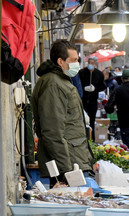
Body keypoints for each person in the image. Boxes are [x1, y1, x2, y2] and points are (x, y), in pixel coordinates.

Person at [31, 39, 94, 188]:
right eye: (73, 60)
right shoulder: (53, 84)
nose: (76, 64)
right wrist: (66, 170)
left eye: (77, 60)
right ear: (60, 61)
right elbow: (52, 131)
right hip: (67, 165)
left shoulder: (62, 81)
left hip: (73, 160)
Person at [78, 56, 106, 141]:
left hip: (93, 101)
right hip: (83, 100)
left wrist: (95, 88)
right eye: (89, 63)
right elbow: (78, 85)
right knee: (82, 120)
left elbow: (103, 86)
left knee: (92, 120)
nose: (90, 64)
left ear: (95, 64)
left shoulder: (99, 74)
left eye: (92, 63)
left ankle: (92, 138)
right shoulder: (82, 72)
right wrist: (84, 88)